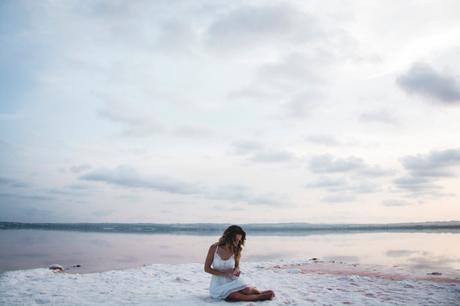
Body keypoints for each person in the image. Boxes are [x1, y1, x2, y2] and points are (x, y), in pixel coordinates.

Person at [204, 225, 275, 301]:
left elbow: (237, 266)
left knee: (247, 290)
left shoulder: (236, 249)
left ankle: (260, 293)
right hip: (218, 284)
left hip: (232, 280)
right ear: (228, 238)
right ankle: (259, 297)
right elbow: (207, 269)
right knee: (235, 295)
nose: (237, 243)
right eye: (235, 240)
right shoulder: (214, 248)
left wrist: (236, 270)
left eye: (239, 240)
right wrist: (225, 273)